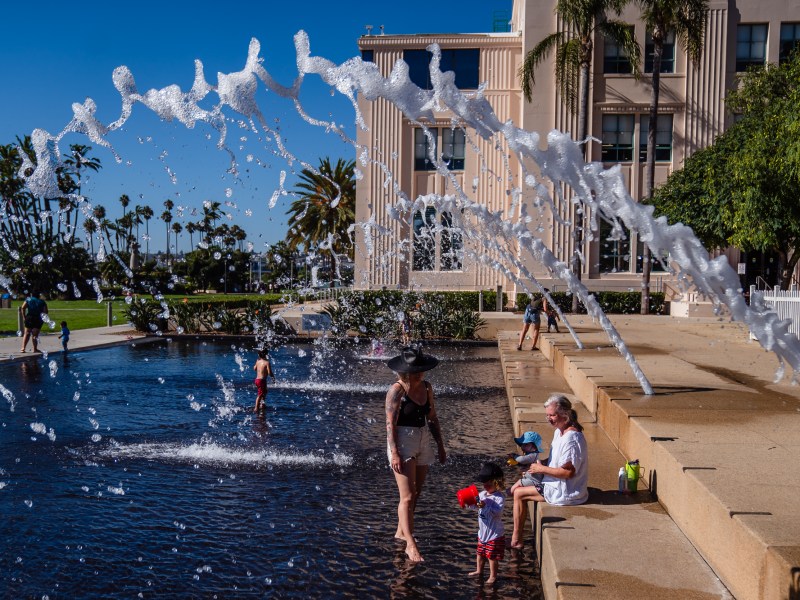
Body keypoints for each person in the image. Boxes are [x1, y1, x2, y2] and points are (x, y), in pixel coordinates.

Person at [385, 343, 446, 562]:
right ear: (405, 371)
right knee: (407, 496)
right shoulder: (397, 391)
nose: (420, 373)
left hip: (423, 438)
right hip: (403, 440)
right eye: (416, 370)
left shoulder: (427, 387)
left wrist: (440, 445)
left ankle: (401, 533)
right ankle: (411, 545)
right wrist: (394, 453)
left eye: (421, 369)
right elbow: (390, 424)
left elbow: (432, 417)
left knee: (416, 494)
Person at [510, 394, 588, 549]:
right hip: (557, 483)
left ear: (565, 414)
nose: (549, 419)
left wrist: (541, 469)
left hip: (566, 491)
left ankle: (516, 540)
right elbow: (558, 461)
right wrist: (540, 465)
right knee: (521, 484)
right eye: (547, 415)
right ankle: (517, 537)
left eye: (552, 415)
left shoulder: (571, 439)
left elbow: (568, 473)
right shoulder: (560, 431)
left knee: (518, 493)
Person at [466, 462, 506, 584]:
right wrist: (469, 503)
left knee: (492, 556)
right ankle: (479, 571)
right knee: (480, 553)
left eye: (488, 484)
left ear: (497, 483)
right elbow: (475, 506)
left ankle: (493, 576)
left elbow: (497, 513)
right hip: (482, 533)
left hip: (494, 534)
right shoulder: (482, 494)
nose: (485, 486)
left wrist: (486, 505)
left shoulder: (499, 497)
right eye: (484, 483)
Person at [506, 430, 543, 496]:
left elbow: (522, 460)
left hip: (534, 481)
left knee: (519, 482)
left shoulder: (533, 455)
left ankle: (510, 492)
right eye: (522, 445)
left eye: (526, 445)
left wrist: (514, 456)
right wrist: (516, 463)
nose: (522, 447)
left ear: (534, 446)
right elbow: (523, 463)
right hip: (531, 478)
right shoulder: (531, 455)